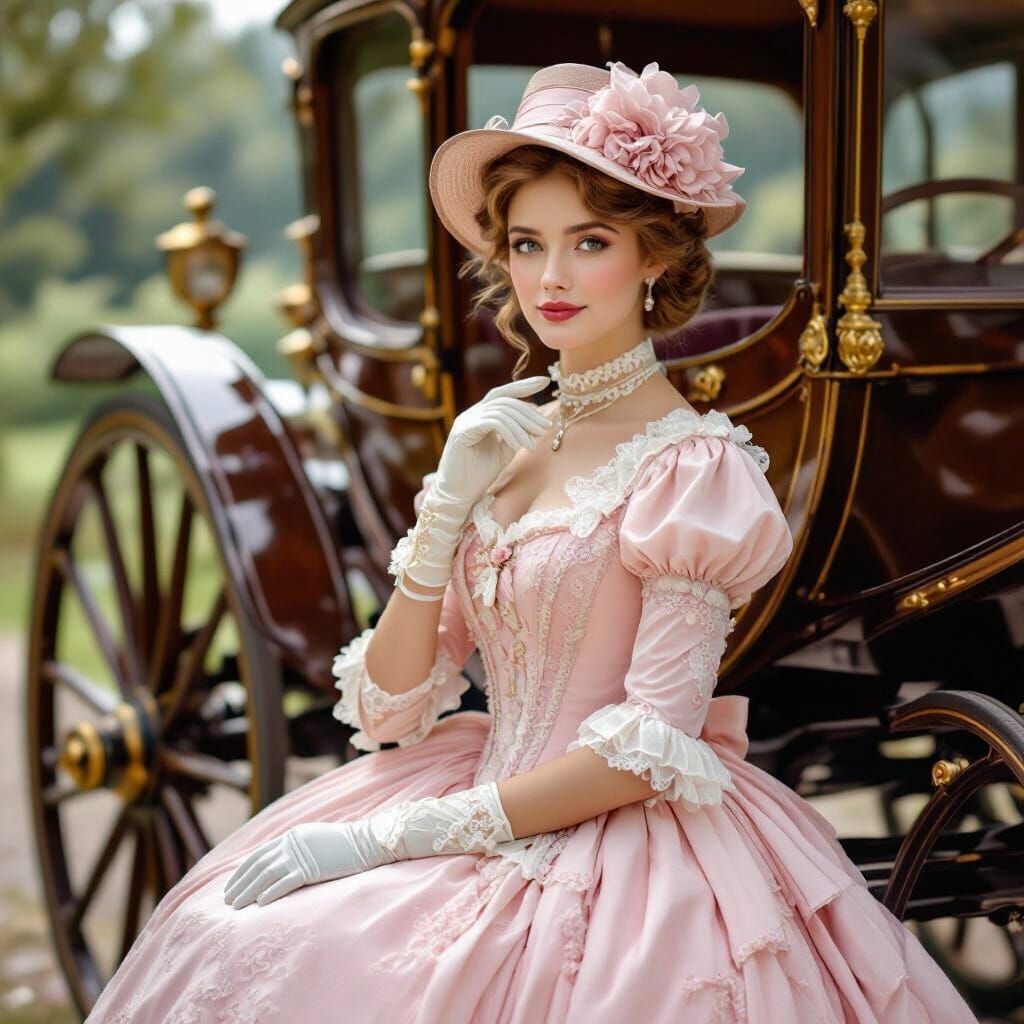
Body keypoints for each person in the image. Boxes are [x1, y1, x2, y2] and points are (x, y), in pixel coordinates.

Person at [85, 60, 979, 1023]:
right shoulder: (500, 442)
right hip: (472, 784)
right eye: (526, 244)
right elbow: (389, 711)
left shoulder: (692, 468)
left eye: (589, 242)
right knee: (230, 929)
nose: (550, 278)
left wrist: (390, 839)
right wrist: (444, 509)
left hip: (620, 839)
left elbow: (648, 752)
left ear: (655, 259)